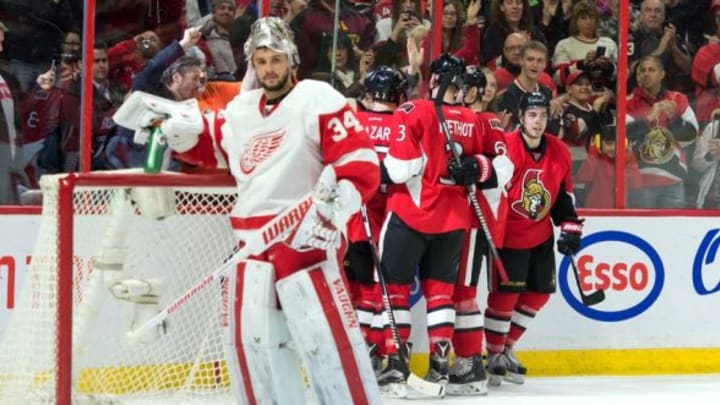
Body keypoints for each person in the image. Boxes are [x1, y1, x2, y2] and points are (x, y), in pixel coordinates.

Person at [145, 17, 382, 404]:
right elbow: (212, 147)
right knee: (254, 346)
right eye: (261, 61)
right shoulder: (243, 109)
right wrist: (181, 135)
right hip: (251, 244)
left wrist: (336, 207)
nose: (269, 69)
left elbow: (360, 162)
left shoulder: (317, 97)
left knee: (326, 344)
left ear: (291, 59)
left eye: (275, 59)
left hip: (304, 238)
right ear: (251, 64)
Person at [378, 53, 497, 392]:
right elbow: (487, 167)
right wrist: (476, 167)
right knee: (441, 295)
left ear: (433, 81)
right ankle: (440, 368)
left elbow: (403, 169)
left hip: (411, 213)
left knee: (395, 290)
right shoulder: (473, 121)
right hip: (453, 220)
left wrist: (376, 170)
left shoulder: (411, 111)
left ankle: (397, 367)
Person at [484, 91, 582, 386]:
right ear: (521, 117)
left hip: (540, 235)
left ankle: (507, 347)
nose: (538, 122)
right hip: (509, 235)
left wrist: (569, 227)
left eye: (542, 115)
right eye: (532, 115)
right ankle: (494, 353)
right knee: (506, 296)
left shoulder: (559, 150)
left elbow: (563, 196)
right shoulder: (507, 148)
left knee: (539, 293)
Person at [449, 65, 513, 396]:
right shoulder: (450, 118)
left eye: (460, 87)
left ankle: (470, 361)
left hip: (477, 217)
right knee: (449, 290)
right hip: (451, 216)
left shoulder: (487, 121)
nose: (454, 91)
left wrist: (478, 167)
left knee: (463, 291)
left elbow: (506, 167)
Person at [343, 65, 408, 373]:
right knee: (384, 290)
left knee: (364, 289)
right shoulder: (402, 123)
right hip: (394, 223)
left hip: (355, 220)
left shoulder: (353, 121)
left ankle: (364, 351)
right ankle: (377, 349)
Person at [575, 123, 642, 208]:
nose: (613, 148)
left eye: (618, 144)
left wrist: (629, 158)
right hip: (594, 209)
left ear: (625, 144)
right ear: (599, 143)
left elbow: (635, 184)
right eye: (609, 143)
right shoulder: (595, 160)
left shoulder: (627, 161)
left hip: (619, 211)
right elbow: (583, 177)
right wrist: (593, 154)